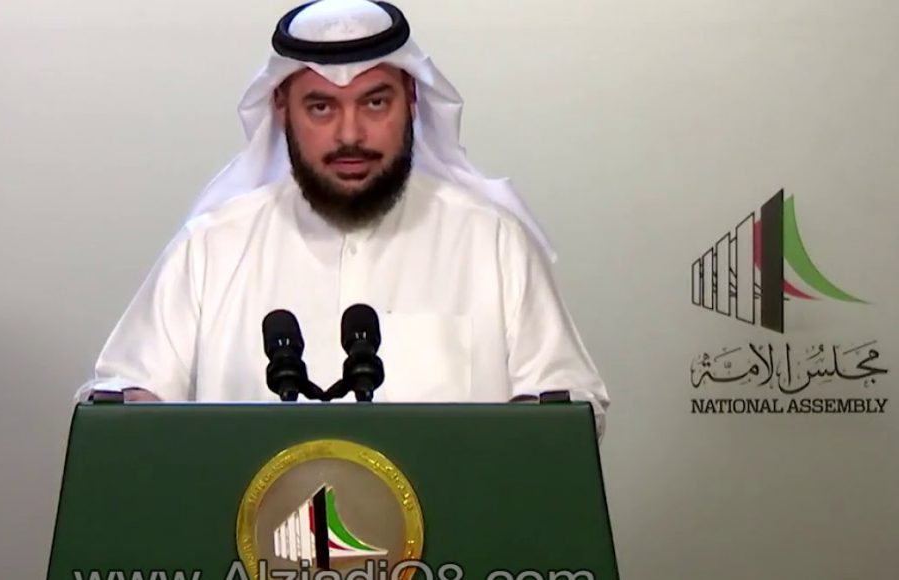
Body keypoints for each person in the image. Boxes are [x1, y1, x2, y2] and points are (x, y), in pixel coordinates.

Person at [77, 0, 610, 436]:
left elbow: (571, 408)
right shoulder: (212, 248)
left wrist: (531, 428)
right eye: (321, 107)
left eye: (374, 104)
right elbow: (119, 402)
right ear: (282, 107)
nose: (350, 135)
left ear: (412, 100)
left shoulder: (491, 242)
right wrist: (138, 411)